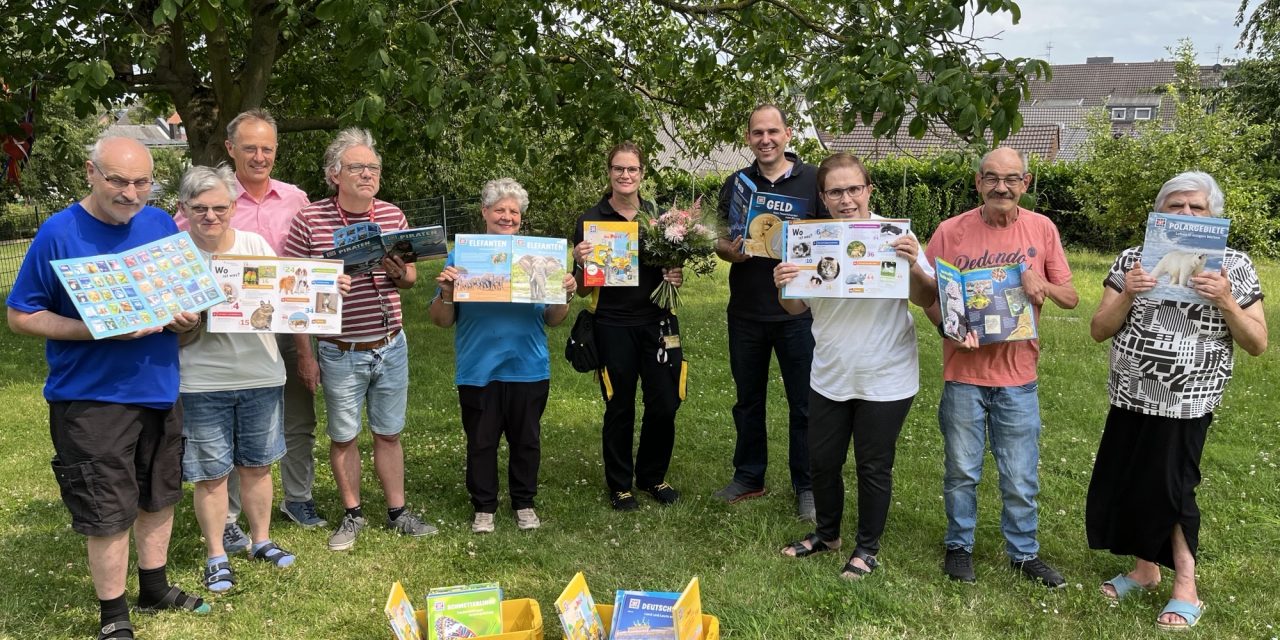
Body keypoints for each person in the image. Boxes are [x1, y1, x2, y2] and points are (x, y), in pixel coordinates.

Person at [6, 136, 206, 639]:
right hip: (92, 398)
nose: (131, 193)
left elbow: (190, 309)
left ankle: (155, 588)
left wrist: (187, 320)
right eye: (118, 180)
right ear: (90, 172)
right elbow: (20, 316)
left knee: (159, 497)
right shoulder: (58, 232)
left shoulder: (161, 223)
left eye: (142, 182)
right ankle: (114, 615)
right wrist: (94, 328)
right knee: (107, 509)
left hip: (160, 387)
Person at [1086, 171, 1266, 631]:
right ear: (1159, 214)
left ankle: (1186, 584)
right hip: (1131, 390)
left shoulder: (1234, 266)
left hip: (1188, 396)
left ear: (1213, 216)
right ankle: (1145, 570)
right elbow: (1099, 328)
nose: (1186, 213)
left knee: (1172, 486)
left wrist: (1226, 300)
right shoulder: (1133, 260)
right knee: (1131, 479)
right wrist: (1129, 292)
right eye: (1176, 205)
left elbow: (1257, 343)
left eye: (1197, 207)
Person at [772, 152, 935, 579]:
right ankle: (827, 535)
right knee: (823, 461)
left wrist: (914, 261)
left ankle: (867, 548)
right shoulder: (809, 240)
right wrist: (783, 282)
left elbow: (925, 298)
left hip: (887, 375)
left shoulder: (896, 236)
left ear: (868, 190)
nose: (846, 199)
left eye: (853, 189)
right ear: (823, 197)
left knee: (873, 465)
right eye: (835, 191)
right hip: (830, 372)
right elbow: (792, 308)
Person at [921, 147, 1078, 587]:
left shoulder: (1042, 229)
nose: (1001, 187)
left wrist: (1040, 282)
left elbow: (1071, 298)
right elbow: (928, 294)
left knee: (1020, 473)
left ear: (1025, 184)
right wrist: (946, 330)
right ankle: (958, 546)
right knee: (961, 471)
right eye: (991, 178)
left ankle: (1024, 553)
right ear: (978, 183)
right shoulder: (951, 232)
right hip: (963, 374)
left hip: (1018, 377)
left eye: (1011, 179)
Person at [175, 109, 323, 553]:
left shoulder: (295, 201)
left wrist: (323, 290)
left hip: (273, 341)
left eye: (267, 148)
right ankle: (227, 529)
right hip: (208, 360)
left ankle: (287, 510)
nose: (259, 156)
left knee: (279, 435)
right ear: (230, 149)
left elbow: (297, 277)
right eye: (250, 148)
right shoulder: (192, 223)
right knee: (218, 454)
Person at [284, 127, 437, 551]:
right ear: (335, 174)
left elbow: (409, 279)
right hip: (340, 347)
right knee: (344, 435)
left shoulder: (392, 215)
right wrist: (306, 353)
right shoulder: (309, 219)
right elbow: (291, 291)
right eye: (357, 167)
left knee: (389, 433)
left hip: (390, 342)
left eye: (373, 168)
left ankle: (398, 512)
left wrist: (397, 271)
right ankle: (352, 515)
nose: (367, 174)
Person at [430, 178, 576, 533]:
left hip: (528, 365)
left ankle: (524, 502)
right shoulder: (462, 256)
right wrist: (447, 292)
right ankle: (484, 506)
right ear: (485, 213)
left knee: (526, 440)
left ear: (521, 219)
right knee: (481, 441)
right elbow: (441, 320)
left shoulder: (538, 258)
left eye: (514, 211)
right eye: (500, 210)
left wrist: (564, 294)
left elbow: (553, 320)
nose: (507, 217)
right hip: (478, 367)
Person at [713, 104, 825, 521]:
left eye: (773, 131)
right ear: (748, 138)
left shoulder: (814, 180)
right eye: (757, 133)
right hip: (746, 311)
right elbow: (721, 241)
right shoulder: (736, 183)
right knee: (748, 400)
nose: (766, 139)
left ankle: (808, 485)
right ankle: (748, 475)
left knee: (806, 404)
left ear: (788, 134)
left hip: (799, 311)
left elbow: (832, 236)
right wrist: (731, 251)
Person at [572, 141, 685, 511]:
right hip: (613, 325)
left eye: (632, 169)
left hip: (657, 323)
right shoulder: (591, 219)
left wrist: (675, 273)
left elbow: (671, 270)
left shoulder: (658, 217)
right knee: (619, 406)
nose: (625, 175)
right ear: (609, 173)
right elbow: (584, 286)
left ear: (642, 174)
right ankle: (620, 485)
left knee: (665, 403)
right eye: (619, 169)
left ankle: (652, 476)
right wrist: (579, 262)